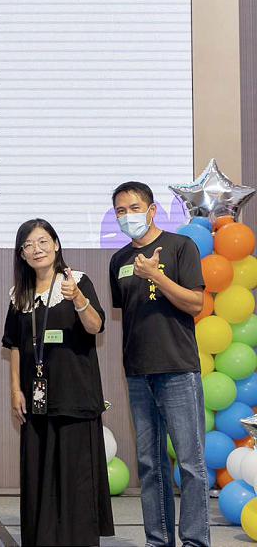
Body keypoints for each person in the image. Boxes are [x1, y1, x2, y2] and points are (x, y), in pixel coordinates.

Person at [2, 218, 114, 546]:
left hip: (75, 395)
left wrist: (78, 298)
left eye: (42, 241)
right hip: (36, 399)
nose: (36, 249)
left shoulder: (77, 281)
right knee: (39, 474)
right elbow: (14, 345)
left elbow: (95, 326)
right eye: (28, 245)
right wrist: (15, 390)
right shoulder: (19, 295)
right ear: (22, 255)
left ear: (56, 244)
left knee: (75, 476)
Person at [109, 181, 209, 547]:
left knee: (191, 464)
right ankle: (158, 540)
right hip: (138, 374)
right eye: (121, 211)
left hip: (178, 369)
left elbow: (195, 304)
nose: (128, 216)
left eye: (134, 208)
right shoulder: (118, 260)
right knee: (151, 465)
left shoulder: (181, 247)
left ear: (152, 210)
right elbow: (127, 313)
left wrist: (156, 276)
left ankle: (195, 541)